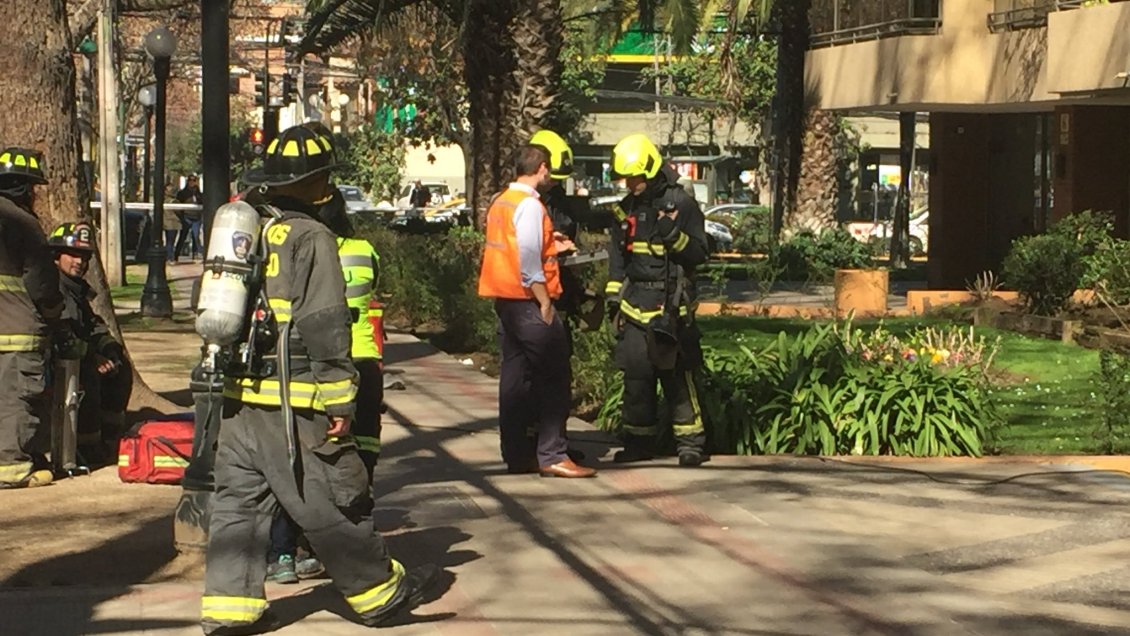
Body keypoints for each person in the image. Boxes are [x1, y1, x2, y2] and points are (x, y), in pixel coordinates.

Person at [202, 124, 437, 635]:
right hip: (296, 402)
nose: (328, 184)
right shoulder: (312, 236)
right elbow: (326, 323)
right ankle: (379, 594)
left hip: (240, 402)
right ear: (314, 182)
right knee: (327, 499)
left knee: (238, 506)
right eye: (324, 175)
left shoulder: (248, 228)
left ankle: (228, 611)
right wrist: (340, 403)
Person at [477, 144, 595, 479]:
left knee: (514, 382)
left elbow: (513, 247)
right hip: (530, 302)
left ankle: (516, 455)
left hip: (506, 302)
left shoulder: (502, 201)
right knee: (555, 376)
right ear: (542, 168)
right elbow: (528, 260)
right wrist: (544, 301)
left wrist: (549, 242)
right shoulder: (529, 205)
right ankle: (553, 454)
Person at [604, 133, 710, 467]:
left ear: (649, 170)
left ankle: (690, 444)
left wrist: (673, 236)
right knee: (637, 380)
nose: (630, 184)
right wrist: (612, 298)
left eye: (634, 177)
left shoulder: (681, 204)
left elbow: (699, 254)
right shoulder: (626, 209)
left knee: (678, 378)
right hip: (634, 305)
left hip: (670, 306)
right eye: (626, 178)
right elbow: (618, 259)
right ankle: (639, 443)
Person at [0, 147, 67, 488]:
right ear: (27, 189)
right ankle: (11, 470)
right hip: (16, 332)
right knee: (15, 399)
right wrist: (57, 317)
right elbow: (42, 284)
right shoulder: (24, 223)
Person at [48, 222, 131, 467]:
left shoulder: (77, 290)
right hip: (56, 359)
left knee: (121, 369)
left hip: (79, 353)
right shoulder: (52, 286)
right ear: (56, 255)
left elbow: (91, 325)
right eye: (73, 254)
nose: (79, 262)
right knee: (89, 377)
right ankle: (86, 448)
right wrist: (93, 357)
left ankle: (111, 438)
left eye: (84, 257)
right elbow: (60, 332)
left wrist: (109, 347)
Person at [174, 174, 203, 260]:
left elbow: (202, 202)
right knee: (183, 236)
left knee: (196, 236)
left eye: (194, 181)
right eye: (190, 181)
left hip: (196, 217)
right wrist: (181, 216)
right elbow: (177, 204)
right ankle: (176, 254)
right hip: (186, 217)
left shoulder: (198, 193)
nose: (192, 183)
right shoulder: (182, 193)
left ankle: (196, 254)